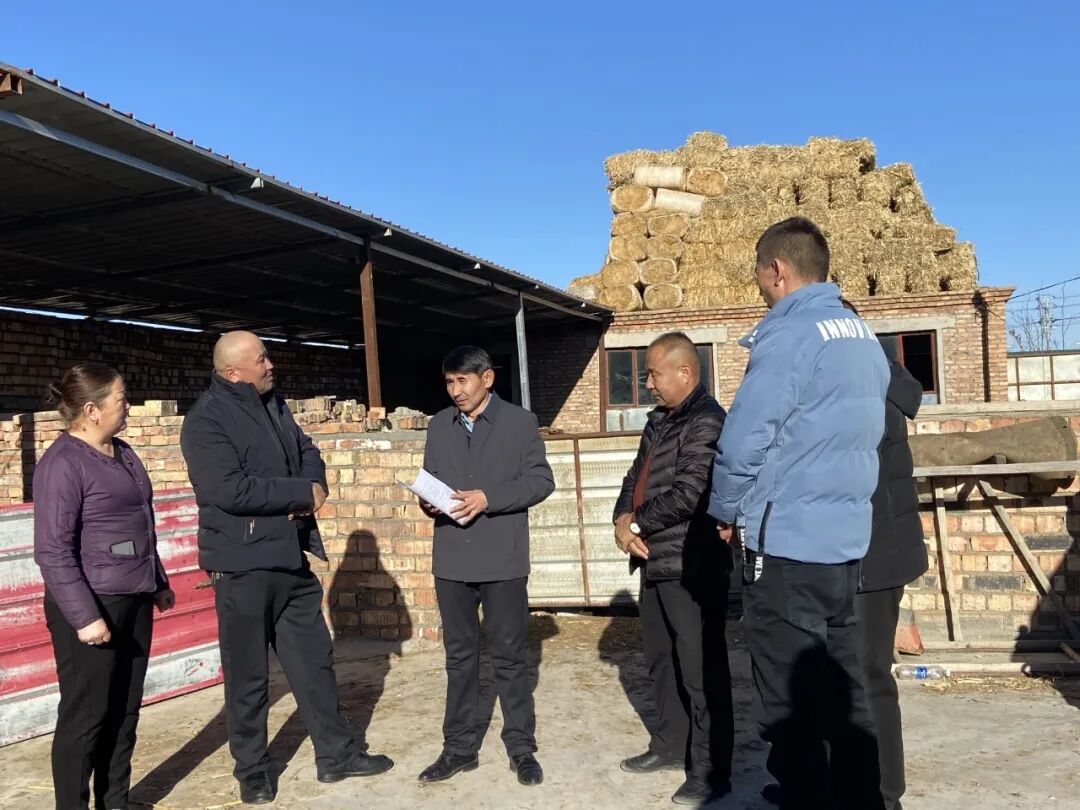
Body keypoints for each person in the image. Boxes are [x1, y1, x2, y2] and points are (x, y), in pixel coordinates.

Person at [708, 217, 889, 809]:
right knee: (845, 696)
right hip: (844, 545)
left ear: (778, 270)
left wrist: (725, 510)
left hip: (785, 545)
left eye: (759, 276)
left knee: (789, 703)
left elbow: (744, 439)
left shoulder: (789, 335)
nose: (760, 288)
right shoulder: (861, 336)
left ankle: (805, 797)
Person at [180, 331, 392, 805]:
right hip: (242, 565)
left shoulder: (274, 405)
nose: (271, 364)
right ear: (233, 371)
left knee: (314, 661)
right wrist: (298, 494)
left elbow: (307, 450)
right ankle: (252, 770)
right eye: (261, 359)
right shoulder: (205, 420)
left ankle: (336, 755)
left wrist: (313, 486)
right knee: (248, 675)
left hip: (289, 558)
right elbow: (229, 490)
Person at [33, 362, 176, 810]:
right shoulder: (62, 463)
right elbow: (52, 550)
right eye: (121, 399)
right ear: (92, 410)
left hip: (134, 596)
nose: (128, 406)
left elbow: (141, 523)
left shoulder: (123, 452)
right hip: (92, 604)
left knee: (124, 709)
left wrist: (158, 580)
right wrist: (85, 617)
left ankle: (115, 801)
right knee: (86, 717)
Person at [416, 346, 555, 787]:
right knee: (459, 658)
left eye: (463, 381)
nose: (456, 391)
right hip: (452, 559)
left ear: (487, 378)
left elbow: (541, 481)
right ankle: (458, 749)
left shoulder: (519, 422)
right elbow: (431, 478)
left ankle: (521, 749)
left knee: (509, 657)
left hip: (502, 559)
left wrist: (489, 498)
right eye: (449, 382)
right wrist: (428, 500)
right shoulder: (439, 425)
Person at [612, 332, 735, 806]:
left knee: (702, 671)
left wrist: (636, 522)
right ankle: (669, 745)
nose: (647, 384)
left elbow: (690, 493)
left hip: (692, 565)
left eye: (653, 374)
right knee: (661, 662)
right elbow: (635, 477)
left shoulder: (707, 420)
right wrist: (622, 521)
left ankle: (711, 770)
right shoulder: (659, 421)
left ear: (685, 372)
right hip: (654, 562)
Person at [844, 300, 928, 810]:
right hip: (868, 547)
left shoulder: (870, 384)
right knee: (847, 673)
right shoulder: (877, 374)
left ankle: (883, 794)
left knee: (868, 673)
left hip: (874, 551)